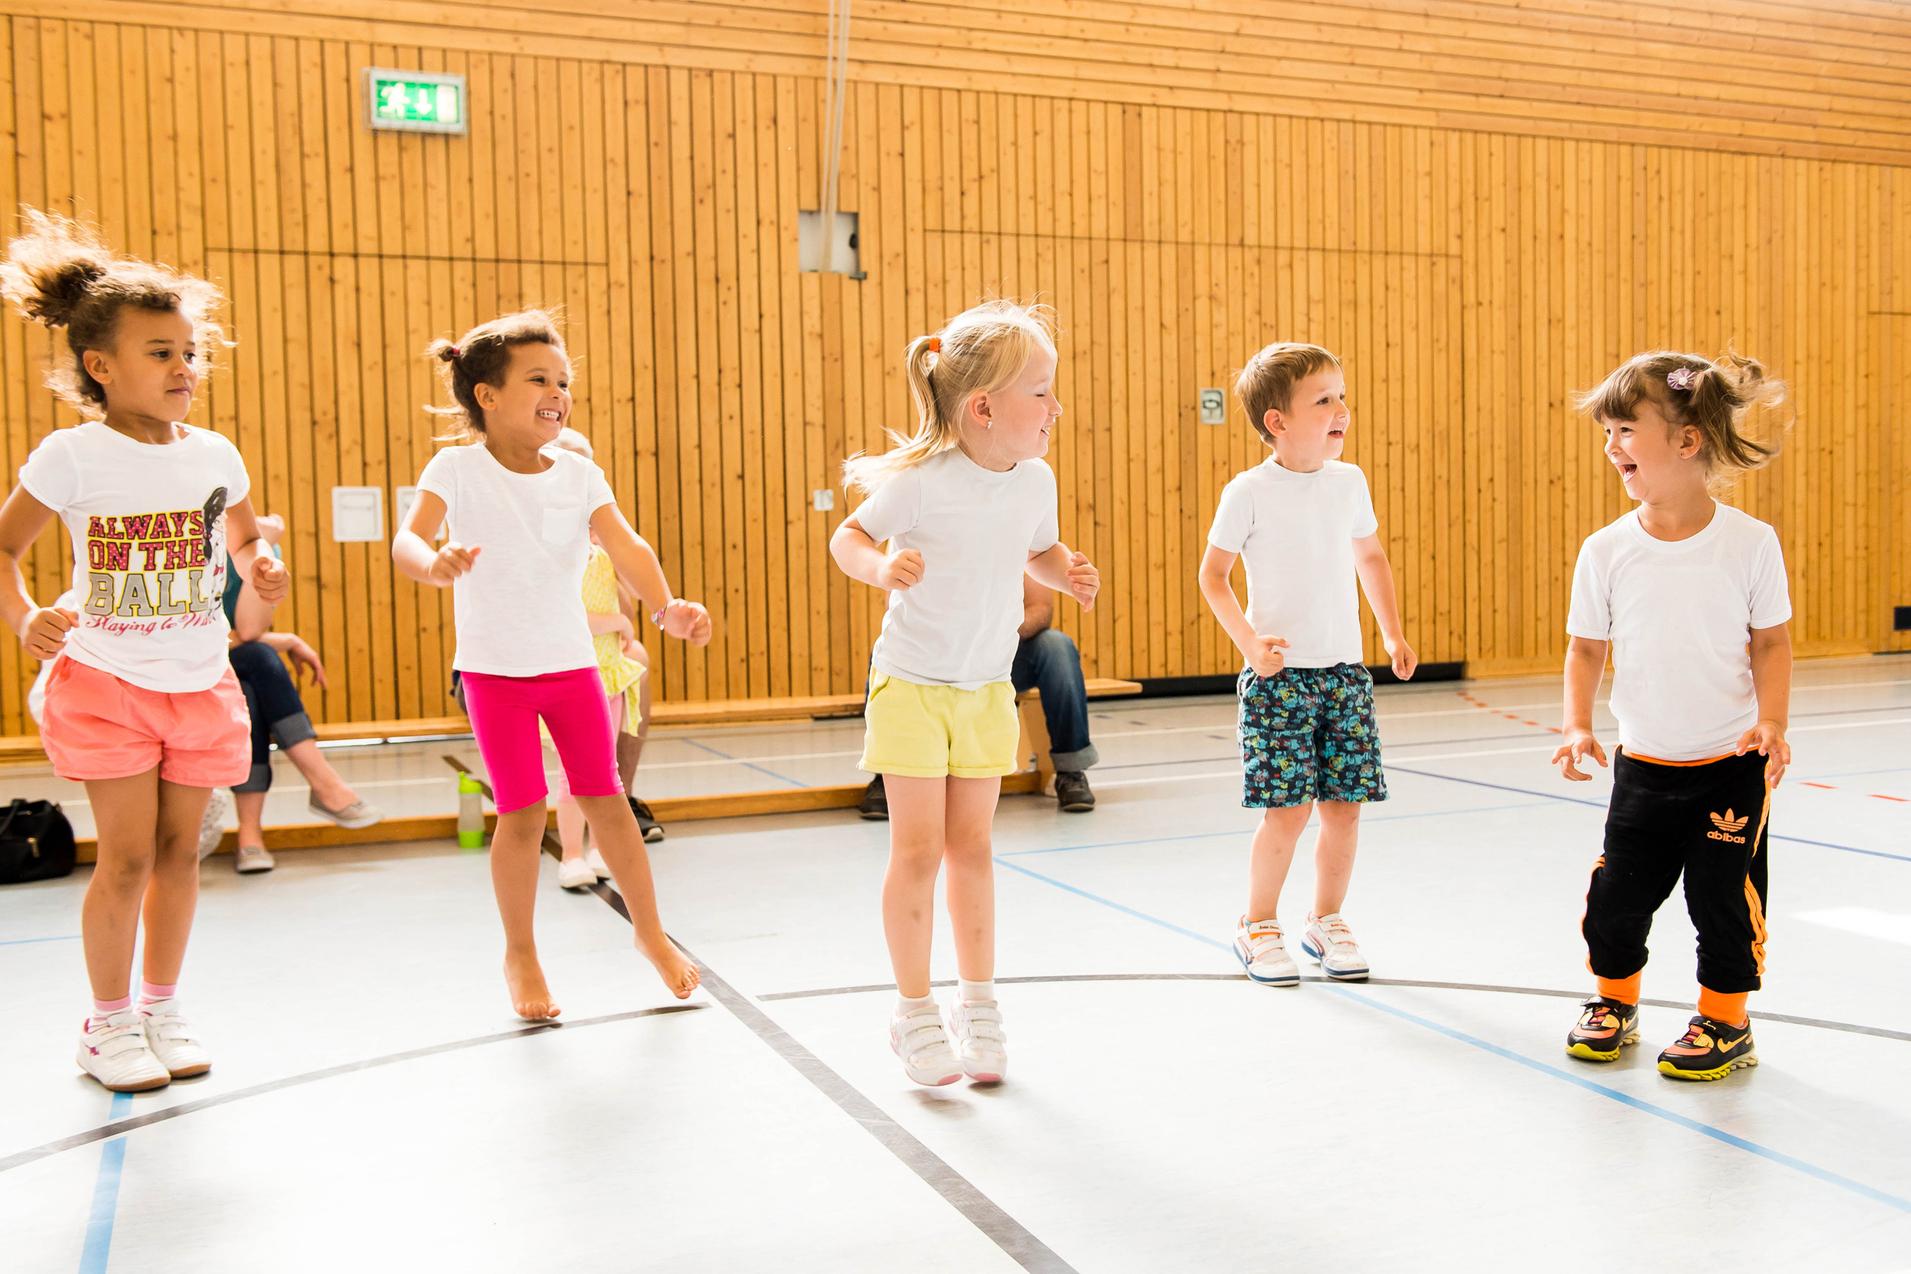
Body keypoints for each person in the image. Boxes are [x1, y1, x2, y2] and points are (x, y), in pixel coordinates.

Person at [0, 210, 288, 1091]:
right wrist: (22, 620)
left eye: (188, 352)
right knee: (123, 857)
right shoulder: (72, 456)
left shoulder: (216, 454)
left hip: (198, 681)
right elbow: (4, 549)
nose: (183, 368)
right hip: (106, 680)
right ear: (101, 366)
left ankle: (162, 1007)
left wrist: (260, 565)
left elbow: (240, 543)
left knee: (177, 855)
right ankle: (108, 1024)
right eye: (160, 352)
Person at [393, 309, 707, 1021]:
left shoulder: (580, 473)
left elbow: (628, 548)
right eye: (539, 378)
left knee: (607, 801)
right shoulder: (457, 468)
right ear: (487, 395)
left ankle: (651, 935)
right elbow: (406, 540)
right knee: (522, 811)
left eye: (563, 381)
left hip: (570, 666)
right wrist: (433, 563)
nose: (557, 392)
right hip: (494, 671)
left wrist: (665, 609)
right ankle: (521, 953)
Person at [831, 300, 1099, 1086]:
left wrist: (1064, 571)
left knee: (973, 849)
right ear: (984, 407)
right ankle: (913, 1011)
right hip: (912, 686)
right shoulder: (921, 483)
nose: (1056, 408)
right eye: (1041, 392)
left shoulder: (1034, 479)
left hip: (985, 690)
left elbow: (1038, 551)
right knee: (915, 852)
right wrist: (880, 568)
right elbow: (848, 536)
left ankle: (976, 1003)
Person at [1555, 351, 1791, 1082]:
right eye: (1606, 432)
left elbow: (1771, 642)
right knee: (1618, 894)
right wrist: (1575, 724)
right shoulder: (1606, 552)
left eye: (1625, 429)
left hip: (1730, 764)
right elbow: (1585, 649)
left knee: (1720, 897)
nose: (1610, 446)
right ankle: (1612, 1004)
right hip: (1645, 764)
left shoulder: (1749, 543)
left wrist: (1773, 723)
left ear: (1685, 442)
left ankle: (1724, 1020)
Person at [1197, 342, 1415, 988]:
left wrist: (1391, 633)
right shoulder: (1249, 492)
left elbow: (1369, 559)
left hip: (1345, 676)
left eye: (1341, 396)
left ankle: (1325, 918)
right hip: (1280, 681)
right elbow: (1212, 577)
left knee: (1344, 808)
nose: (1341, 409)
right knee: (1286, 812)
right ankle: (1257, 923)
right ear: (1276, 422)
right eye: (1323, 400)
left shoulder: (1349, 483)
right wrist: (1248, 644)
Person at [204, 511, 383, 873]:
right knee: (259, 659)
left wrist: (266, 549)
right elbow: (213, 639)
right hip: (189, 673)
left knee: (252, 683)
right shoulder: (192, 551)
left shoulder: (254, 550)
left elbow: (249, 630)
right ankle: (322, 784)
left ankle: (251, 838)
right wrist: (286, 639)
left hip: (232, 672)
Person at [860, 574, 1099, 818]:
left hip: (1001, 657)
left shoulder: (1017, 538)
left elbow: (1041, 608)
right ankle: (886, 775)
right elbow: (898, 604)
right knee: (885, 649)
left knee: (1057, 646)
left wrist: (998, 630)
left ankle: (1071, 771)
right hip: (936, 655)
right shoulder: (920, 539)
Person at [539, 428, 655, 890]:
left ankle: (599, 847)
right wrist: (617, 625)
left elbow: (624, 605)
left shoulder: (600, 555)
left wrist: (627, 621)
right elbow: (570, 615)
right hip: (566, 670)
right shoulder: (550, 556)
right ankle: (571, 852)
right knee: (573, 774)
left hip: (606, 674)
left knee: (601, 769)